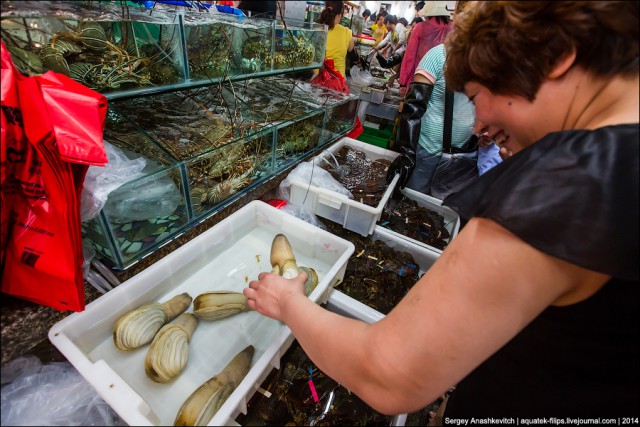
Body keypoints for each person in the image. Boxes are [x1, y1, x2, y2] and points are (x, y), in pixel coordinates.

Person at [243, 0, 639, 420]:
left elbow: (389, 372)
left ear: (556, 58)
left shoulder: (564, 182)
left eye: (475, 95)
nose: (477, 123)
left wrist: (290, 303)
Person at [385, 38, 476, 194]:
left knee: (442, 212)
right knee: (413, 204)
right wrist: (408, 153)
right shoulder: (438, 55)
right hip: (428, 151)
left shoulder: (488, 63)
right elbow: (413, 107)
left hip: (463, 156)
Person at [398, 1, 453, 90]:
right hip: (444, 83)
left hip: (420, 80)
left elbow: (410, 56)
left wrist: (403, 82)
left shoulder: (421, 27)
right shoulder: (453, 29)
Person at [318, 0, 355, 78]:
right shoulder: (346, 31)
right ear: (339, 15)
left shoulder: (317, 29)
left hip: (318, 79)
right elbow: (351, 49)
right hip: (338, 82)